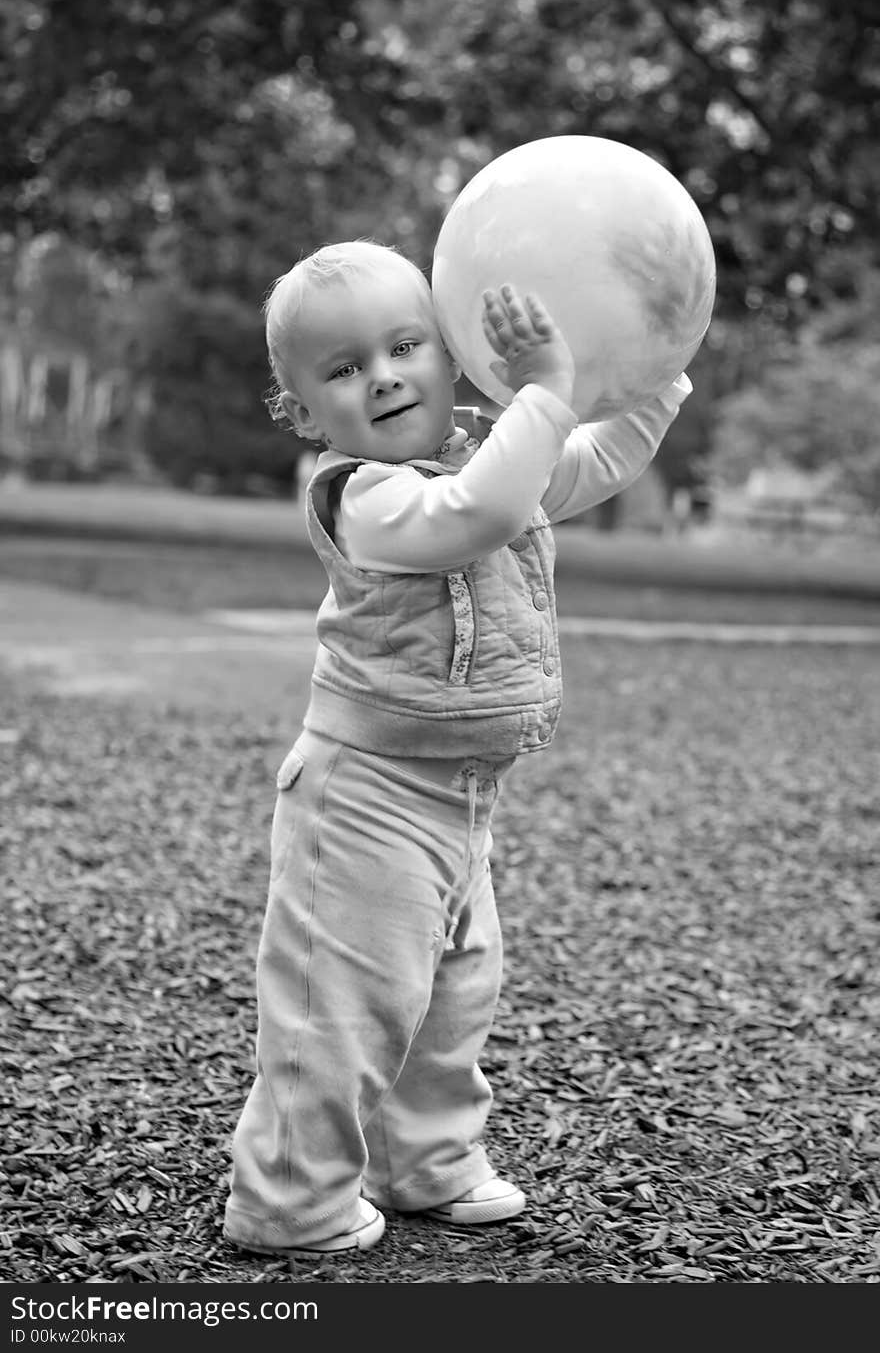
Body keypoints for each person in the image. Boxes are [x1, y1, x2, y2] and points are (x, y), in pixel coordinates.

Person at [223, 239, 692, 1256]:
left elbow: (599, 457)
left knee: (450, 994)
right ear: (306, 415)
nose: (382, 376)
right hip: (364, 796)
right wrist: (548, 393)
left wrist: (657, 366)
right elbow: (472, 516)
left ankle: (423, 1162)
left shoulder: (497, 450)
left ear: (453, 354)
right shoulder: (361, 494)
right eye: (343, 370)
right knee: (340, 1007)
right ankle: (288, 1199)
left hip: (462, 796)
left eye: (405, 346)